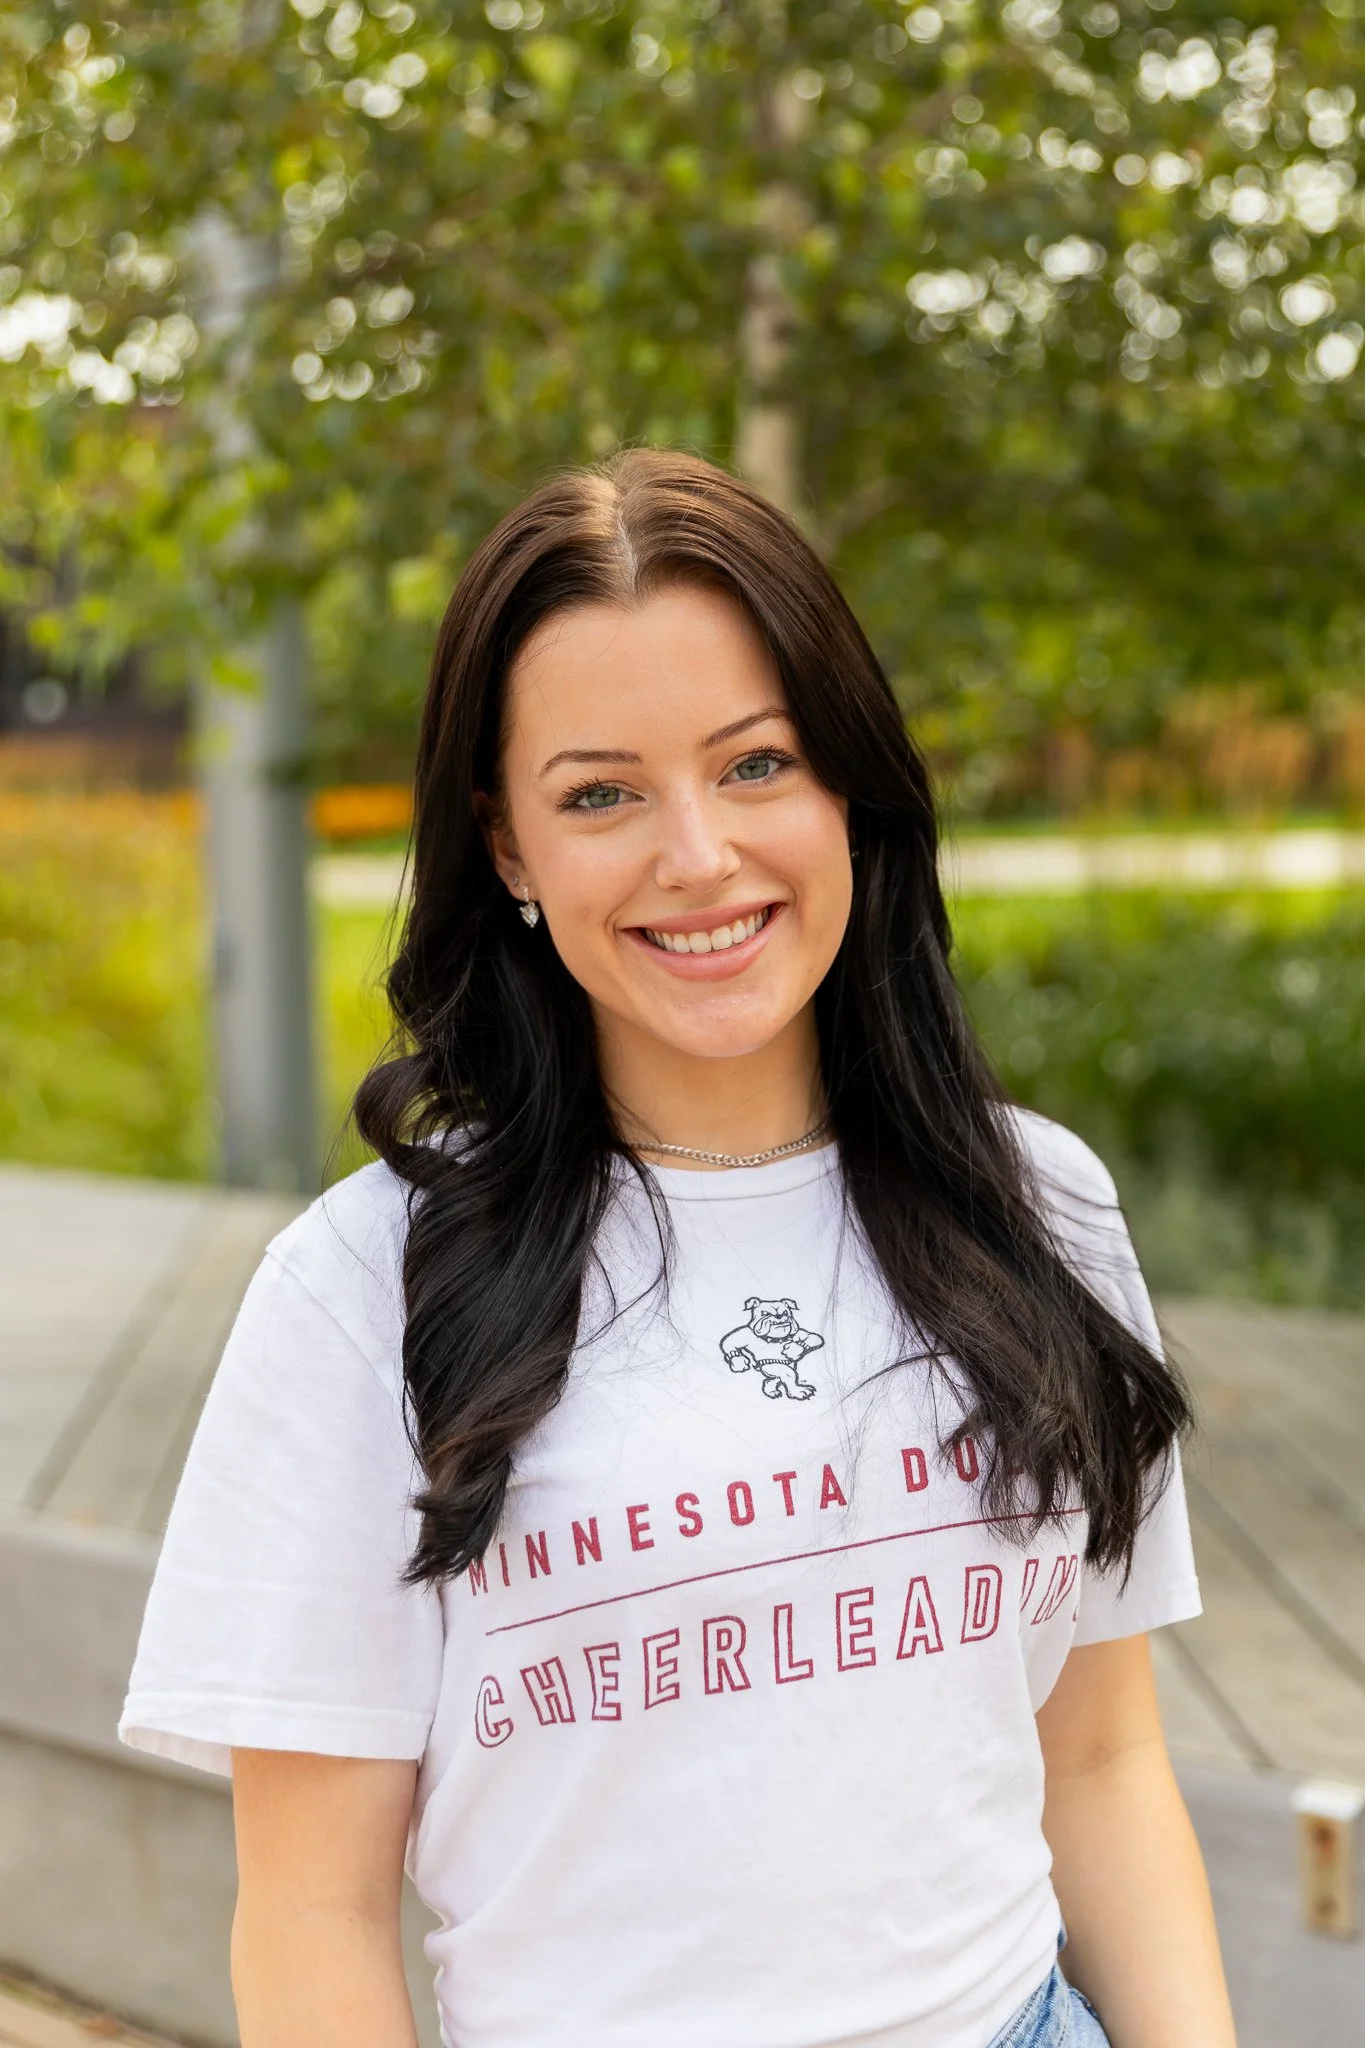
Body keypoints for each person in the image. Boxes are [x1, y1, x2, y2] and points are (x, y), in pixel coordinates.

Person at [121, 451, 1237, 2048]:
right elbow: (312, 1914)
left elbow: (1106, 1764)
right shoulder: (369, 1287)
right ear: (506, 847)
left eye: (757, 764)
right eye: (600, 794)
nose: (698, 856)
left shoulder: (1037, 1208)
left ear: (849, 784)